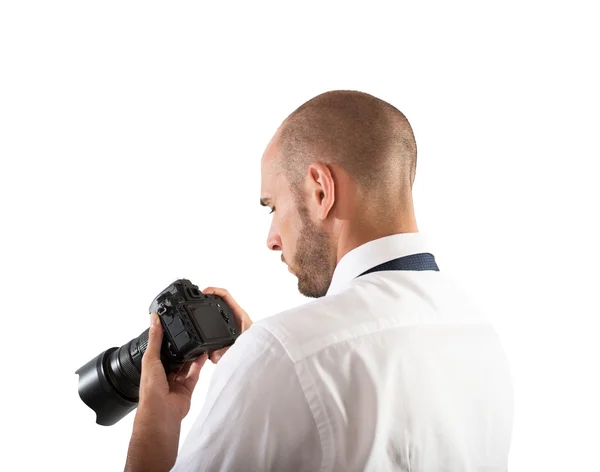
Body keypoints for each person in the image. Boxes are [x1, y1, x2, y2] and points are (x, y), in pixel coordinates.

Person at [124, 90, 514, 472]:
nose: (272, 238)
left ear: (320, 190)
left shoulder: (281, 356)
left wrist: (152, 435)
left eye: (274, 206)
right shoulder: (480, 332)